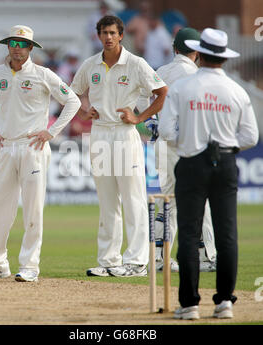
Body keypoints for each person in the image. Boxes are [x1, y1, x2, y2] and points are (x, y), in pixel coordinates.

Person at [158, 28, 259, 319]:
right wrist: (226, 147)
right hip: (226, 162)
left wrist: (190, 143)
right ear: (224, 58)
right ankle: (224, 301)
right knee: (227, 234)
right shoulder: (236, 90)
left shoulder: (182, 87)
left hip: (191, 161)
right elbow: (250, 136)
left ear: (199, 54)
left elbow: (166, 131)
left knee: (189, 233)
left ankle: (189, 304)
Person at [0, 25, 80, 282]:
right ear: (8, 46)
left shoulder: (43, 74)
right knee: (0, 208)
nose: (17, 49)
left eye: (22, 44)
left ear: (31, 48)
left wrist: (51, 132)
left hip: (33, 147)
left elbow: (73, 101)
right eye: (13, 43)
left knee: (33, 209)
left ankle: (30, 266)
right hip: (5, 146)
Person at [71, 15, 168, 277]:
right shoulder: (91, 64)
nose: (108, 37)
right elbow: (72, 93)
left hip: (125, 133)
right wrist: (83, 110)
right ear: (98, 35)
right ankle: (108, 260)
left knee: (133, 198)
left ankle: (136, 262)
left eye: (113, 32)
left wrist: (138, 118)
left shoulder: (135, 63)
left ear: (121, 35)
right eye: (104, 33)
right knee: (107, 200)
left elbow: (162, 92)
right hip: (100, 133)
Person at [152, 28, 217, 273]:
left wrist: (151, 123)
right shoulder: (198, 75)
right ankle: (206, 256)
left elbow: (140, 100)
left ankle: (160, 258)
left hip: (164, 144)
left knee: (168, 200)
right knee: (200, 198)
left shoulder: (160, 71)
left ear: (175, 48)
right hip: (189, 145)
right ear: (197, 51)